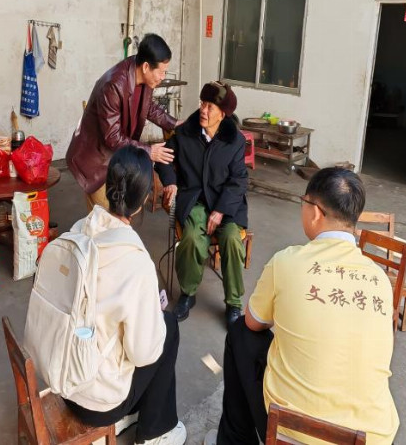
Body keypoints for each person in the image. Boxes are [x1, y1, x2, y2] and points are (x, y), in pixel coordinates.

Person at [205, 168, 399, 445]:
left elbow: (252, 323)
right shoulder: (379, 278)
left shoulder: (287, 261)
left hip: (293, 433)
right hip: (373, 437)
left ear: (316, 212)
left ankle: (234, 441)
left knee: (241, 334)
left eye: (303, 203)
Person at [29, 146, 186, 445]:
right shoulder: (135, 260)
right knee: (168, 329)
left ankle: (131, 414)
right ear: (143, 200)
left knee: (125, 328)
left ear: (109, 185)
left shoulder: (79, 230)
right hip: (98, 402)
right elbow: (144, 354)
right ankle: (155, 432)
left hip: (63, 377)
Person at [156, 81, 248, 328]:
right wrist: (171, 182)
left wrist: (220, 210)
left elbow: (239, 180)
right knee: (192, 239)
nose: (203, 110)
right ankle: (188, 293)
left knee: (232, 239)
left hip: (226, 203)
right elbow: (163, 159)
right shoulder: (185, 133)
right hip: (194, 199)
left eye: (210, 107)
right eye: (202, 103)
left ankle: (234, 302)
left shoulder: (235, 141)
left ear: (223, 114)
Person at [66, 34, 178, 210]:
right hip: (97, 162)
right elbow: (113, 138)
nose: (163, 77)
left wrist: (174, 123)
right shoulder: (113, 85)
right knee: (106, 215)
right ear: (146, 67)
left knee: (125, 210)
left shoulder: (143, 75)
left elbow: (147, 107)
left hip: (118, 157)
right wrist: (149, 151)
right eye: (161, 72)